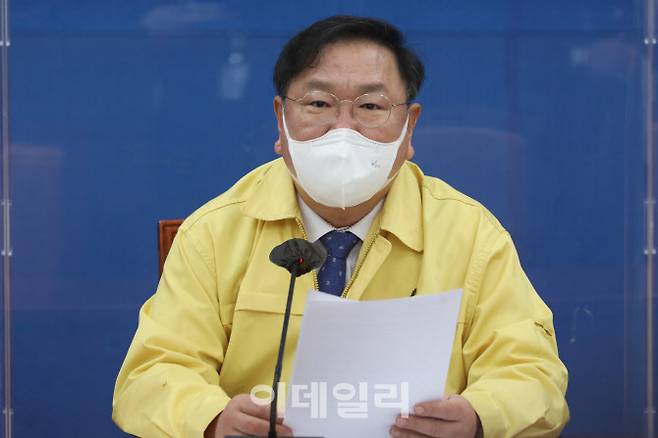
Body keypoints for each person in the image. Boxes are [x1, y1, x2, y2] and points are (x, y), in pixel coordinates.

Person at [112, 15, 569, 438]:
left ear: (409, 127)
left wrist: (478, 418)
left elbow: (533, 375)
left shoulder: (470, 234)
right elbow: (150, 376)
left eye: (370, 105)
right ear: (280, 120)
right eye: (318, 103)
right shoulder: (214, 232)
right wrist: (213, 421)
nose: (343, 129)